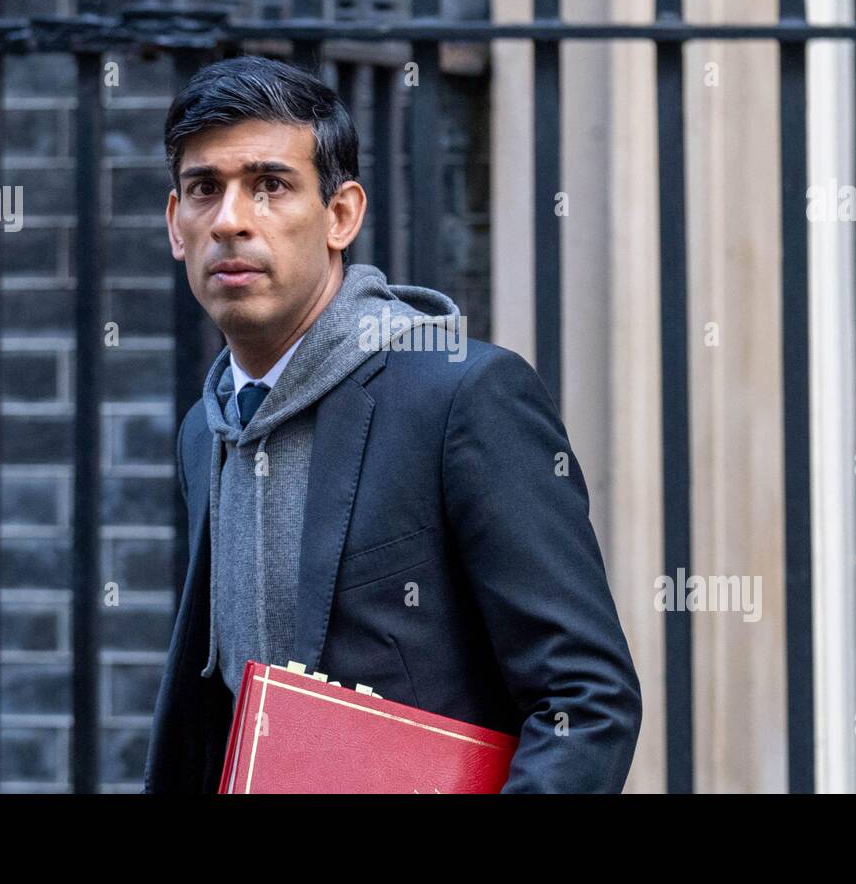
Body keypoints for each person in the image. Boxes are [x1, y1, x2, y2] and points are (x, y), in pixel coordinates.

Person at [143, 54, 641, 793]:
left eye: (270, 186)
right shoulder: (205, 431)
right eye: (204, 190)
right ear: (176, 225)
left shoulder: (465, 397)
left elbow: (585, 701)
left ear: (341, 215)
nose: (230, 220)